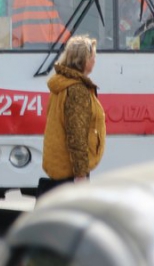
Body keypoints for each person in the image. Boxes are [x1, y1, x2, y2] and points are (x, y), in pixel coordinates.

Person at [40, 35, 105, 194]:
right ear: (83, 60)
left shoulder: (62, 84)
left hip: (60, 165)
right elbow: (77, 135)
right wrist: (81, 174)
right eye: (92, 57)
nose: (95, 61)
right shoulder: (77, 90)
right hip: (72, 172)